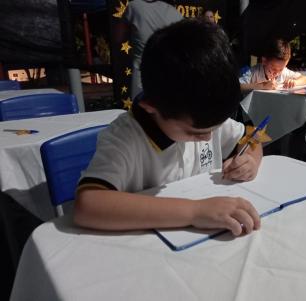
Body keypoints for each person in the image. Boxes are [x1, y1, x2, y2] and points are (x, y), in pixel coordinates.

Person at [74, 20, 262, 237]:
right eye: (195, 132)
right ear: (151, 108)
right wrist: (195, 211)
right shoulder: (125, 138)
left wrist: (252, 160)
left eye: (215, 128)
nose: (208, 137)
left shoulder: (202, 114)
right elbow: (87, 204)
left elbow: (253, 136)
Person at [117, 0, 183, 100]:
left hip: (142, 76)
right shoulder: (176, 13)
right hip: (169, 76)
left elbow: (118, 37)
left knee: (141, 112)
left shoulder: (134, 6)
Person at [239, 39, 306, 94]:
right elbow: (238, 87)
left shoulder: (284, 72)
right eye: (273, 68)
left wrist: (294, 82)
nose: (276, 73)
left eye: (280, 69)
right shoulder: (254, 72)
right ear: (264, 61)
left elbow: (305, 79)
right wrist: (262, 86)